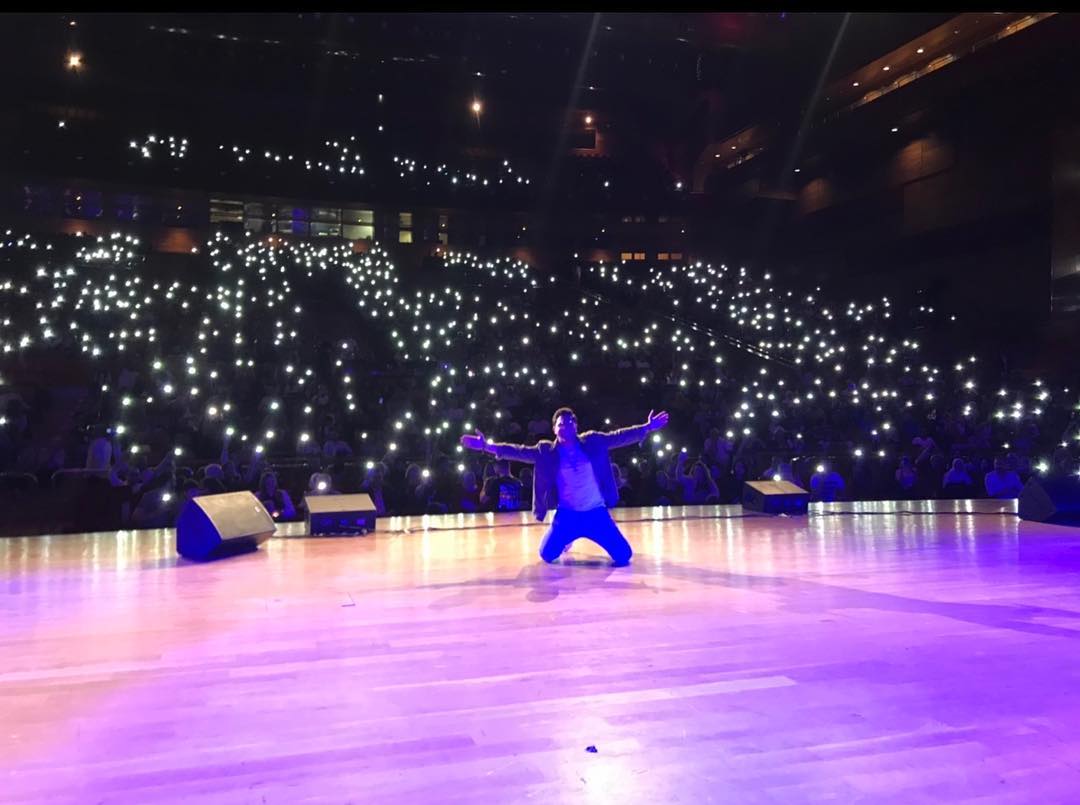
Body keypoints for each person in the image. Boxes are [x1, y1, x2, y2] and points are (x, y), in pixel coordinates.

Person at [460, 407, 668, 566]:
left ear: (576, 426)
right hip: (567, 515)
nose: (565, 427)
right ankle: (567, 539)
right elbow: (518, 451)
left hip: (596, 513)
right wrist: (487, 447)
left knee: (624, 558)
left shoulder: (593, 442)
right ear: (554, 429)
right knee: (547, 555)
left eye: (569, 423)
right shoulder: (546, 451)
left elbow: (619, 437)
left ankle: (580, 536)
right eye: (560, 424)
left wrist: (647, 428)